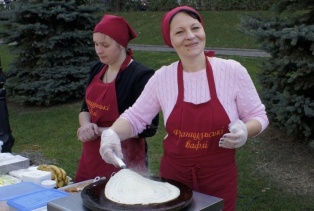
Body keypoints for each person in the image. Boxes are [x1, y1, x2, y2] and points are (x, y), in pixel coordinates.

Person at [99, 6, 268, 211]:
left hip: (219, 179)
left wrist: (245, 130)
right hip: (174, 180)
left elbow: (258, 115)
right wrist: (113, 133)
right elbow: (136, 117)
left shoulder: (232, 71)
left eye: (195, 28)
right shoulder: (163, 78)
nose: (190, 36)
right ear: (170, 40)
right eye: (179, 32)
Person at [74, 14, 158, 183]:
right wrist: (85, 126)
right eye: (96, 44)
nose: (98, 50)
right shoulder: (97, 68)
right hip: (92, 156)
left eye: (105, 45)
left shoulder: (140, 76)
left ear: (121, 45)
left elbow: (149, 128)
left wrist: (99, 132)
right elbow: (85, 109)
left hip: (124, 158)